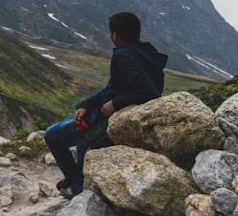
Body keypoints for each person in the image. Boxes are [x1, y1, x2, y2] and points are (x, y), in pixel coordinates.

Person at [44, 11, 168, 199]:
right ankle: (79, 178)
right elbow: (115, 87)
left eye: (111, 33)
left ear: (115, 35)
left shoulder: (123, 56)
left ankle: (76, 183)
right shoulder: (146, 52)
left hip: (106, 119)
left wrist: (116, 103)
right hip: (111, 113)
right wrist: (86, 104)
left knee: (52, 135)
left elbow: (149, 92)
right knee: (83, 146)